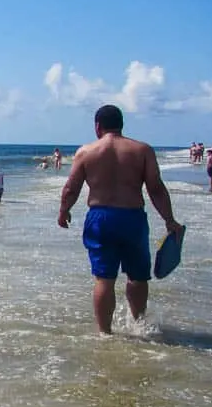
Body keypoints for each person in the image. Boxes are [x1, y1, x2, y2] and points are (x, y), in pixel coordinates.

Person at [57, 105, 183, 335]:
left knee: (104, 278)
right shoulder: (142, 150)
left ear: (97, 126)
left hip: (100, 218)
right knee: (137, 277)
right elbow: (156, 189)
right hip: (132, 217)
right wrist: (169, 220)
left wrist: (63, 211)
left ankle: (105, 333)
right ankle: (138, 325)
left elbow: (70, 189)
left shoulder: (86, 152)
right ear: (121, 124)